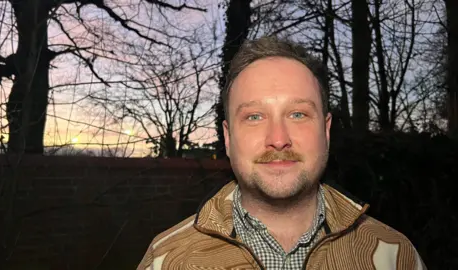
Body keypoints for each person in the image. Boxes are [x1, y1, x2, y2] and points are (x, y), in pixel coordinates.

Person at [137, 36, 427, 270]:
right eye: (254, 117)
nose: (278, 139)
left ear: (326, 131)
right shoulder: (167, 260)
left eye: (298, 114)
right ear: (227, 137)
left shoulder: (396, 256)